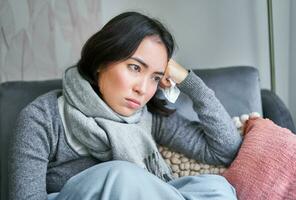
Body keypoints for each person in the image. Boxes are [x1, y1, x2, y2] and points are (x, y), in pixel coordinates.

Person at [8, 11, 242, 200]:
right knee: (122, 175)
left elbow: (225, 150)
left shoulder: (146, 117)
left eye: (155, 77)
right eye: (135, 67)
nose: (143, 88)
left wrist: (189, 82)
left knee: (215, 188)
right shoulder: (42, 118)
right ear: (101, 61)